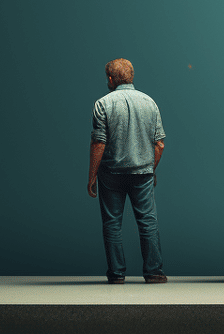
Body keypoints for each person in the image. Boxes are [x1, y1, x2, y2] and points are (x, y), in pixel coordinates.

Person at [88, 58, 167, 283]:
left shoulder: (102, 104)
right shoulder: (149, 102)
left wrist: (91, 175)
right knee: (148, 222)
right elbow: (159, 143)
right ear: (131, 77)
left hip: (111, 174)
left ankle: (116, 274)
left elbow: (98, 144)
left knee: (112, 224)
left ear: (111, 79)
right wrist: (150, 169)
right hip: (142, 173)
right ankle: (154, 272)